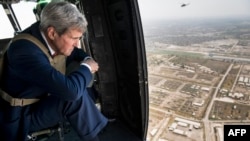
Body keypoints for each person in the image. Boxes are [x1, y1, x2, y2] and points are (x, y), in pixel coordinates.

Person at [0, 1, 108, 141]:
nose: (76, 44)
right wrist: (87, 67)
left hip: (38, 100)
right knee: (75, 96)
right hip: (20, 116)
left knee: (83, 89)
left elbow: (76, 52)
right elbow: (71, 92)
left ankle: (95, 128)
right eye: (74, 38)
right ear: (52, 33)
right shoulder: (25, 51)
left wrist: (87, 58)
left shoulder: (44, 35)